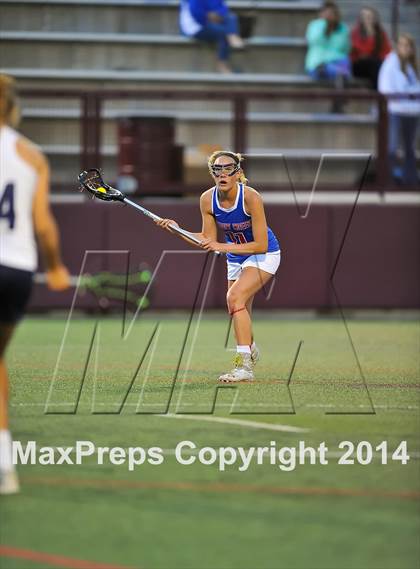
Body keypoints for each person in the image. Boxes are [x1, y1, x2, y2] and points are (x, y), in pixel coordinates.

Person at [0, 75, 70, 494]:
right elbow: (43, 225)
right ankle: (4, 465)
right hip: (15, 271)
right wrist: (57, 266)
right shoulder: (31, 154)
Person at [156, 151, 281, 382]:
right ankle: (250, 348)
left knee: (234, 298)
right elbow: (206, 239)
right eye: (217, 169)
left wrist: (221, 246)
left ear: (238, 172)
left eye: (228, 169)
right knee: (238, 307)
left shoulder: (250, 197)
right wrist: (176, 229)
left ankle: (244, 367)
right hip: (235, 255)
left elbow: (261, 244)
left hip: (264, 254)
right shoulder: (207, 199)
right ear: (212, 173)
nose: (222, 173)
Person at [378, 34, 420, 186]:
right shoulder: (390, 62)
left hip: (413, 111)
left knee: (410, 148)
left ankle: (410, 180)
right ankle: (389, 179)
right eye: (402, 44)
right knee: (392, 148)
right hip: (395, 110)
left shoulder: (414, 65)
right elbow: (385, 86)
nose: (405, 48)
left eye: (408, 45)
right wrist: (400, 97)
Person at [305, 1, 351, 111]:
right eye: (326, 13)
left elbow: (344, 48)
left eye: (332, 13)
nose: (329, 15)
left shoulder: (342, 28)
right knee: (340, 73)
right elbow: (313, 40)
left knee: (343, 66)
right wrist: (324, 24)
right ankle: (338, 102)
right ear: (321, 14)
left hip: (337, 62)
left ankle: (338, 102)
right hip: (318, 63)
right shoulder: (315, 25)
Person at [179, 0, 245, 74]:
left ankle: (232, 36)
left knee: (231, 18)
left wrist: (217, 15)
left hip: (211, 21)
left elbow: (223, 8)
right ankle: (222, 66)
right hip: (195, 26)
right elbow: (196, 13)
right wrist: (209, 17)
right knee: (224, 33)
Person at [351, 7, 391, 90]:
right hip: (359, 66)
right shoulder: (355, 33)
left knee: (379, 64)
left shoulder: (381, 33)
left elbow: (386, 52)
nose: (367, 18)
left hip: (376, 65)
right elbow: (362, 51)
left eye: (369, 16)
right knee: (373, 62)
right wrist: (371, 36)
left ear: (375, 18)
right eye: (364, 16)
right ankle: (378, 93)